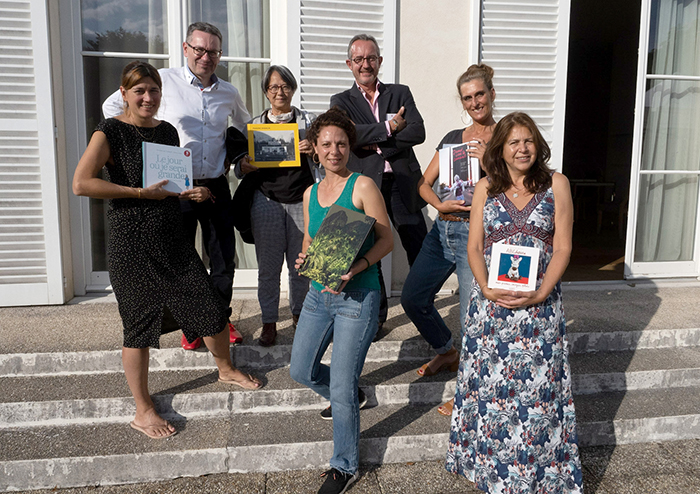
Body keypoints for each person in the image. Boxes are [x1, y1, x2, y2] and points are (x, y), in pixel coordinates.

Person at [73, 61, 261, 440]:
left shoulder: (167, 131)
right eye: (139, 90)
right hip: (131, 243)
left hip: (171, 237)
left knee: (207, 304)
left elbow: (171, 183)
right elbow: (81, 183)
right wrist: (139, 193)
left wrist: (194, 191)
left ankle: (224, 368)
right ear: (124, 94)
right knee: (140, 325)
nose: (147, 97)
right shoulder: (108, 131)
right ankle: (143, 410)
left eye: (154, 90)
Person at [446, 112, 582, 493]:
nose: (522, 148)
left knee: (538, 397)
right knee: (492, 398)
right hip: (491, 311)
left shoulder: (557, 184)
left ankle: (539, 480)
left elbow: (563, 246)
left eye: (528, 140)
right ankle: (494, 477)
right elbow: (473, 247)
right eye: (514, 142)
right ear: (500, 149)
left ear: (537, 145)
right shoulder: (485, 188)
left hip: (539, 309)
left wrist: (541, 292)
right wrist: (485, 289)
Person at [103, 22, 250, 351]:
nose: (205, 56)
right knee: (179, 258)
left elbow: (247, 126)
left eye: (213, 51)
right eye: (199, 49)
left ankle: (220, 318)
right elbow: (112, 107)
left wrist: (243, 153)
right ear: (186, 49)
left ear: (220, 55)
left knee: (223, 258)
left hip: (214, 185)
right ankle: (191, 324)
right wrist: (140, 151)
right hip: (172, 188)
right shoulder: (161, 82)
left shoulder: (228, 92)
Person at [289, 108, 393, 494]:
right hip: (319, 294)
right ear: (314, 149)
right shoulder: (310, 193)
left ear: (350, 148)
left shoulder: (363, 186)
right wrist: (304, 259)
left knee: (342, 384)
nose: (334, 150)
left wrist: (359, 265)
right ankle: (351, 395)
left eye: (342, 144)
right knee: (300, 370)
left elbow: (387, 240)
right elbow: (309, 243)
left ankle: (344, 465)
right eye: (326, 144)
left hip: (358, 296)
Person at [401, 65, 497, 418]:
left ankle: (469, 394)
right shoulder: (454, 138)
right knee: (413, 298)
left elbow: (519, 184)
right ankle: (445, 349)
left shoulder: (506, 137)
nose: (474, 102)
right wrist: (438, 203)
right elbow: (424, 184)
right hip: (442, 231)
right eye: (467, 97)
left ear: (491, 94)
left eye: (479, 94)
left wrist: (487, 160)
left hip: (478, 235)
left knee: (474, 318)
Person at [330, 34, 428, 333]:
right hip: (367, 187)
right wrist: (388, 127)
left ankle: (422, 309)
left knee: (419, 247)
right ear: (349, 64)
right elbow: (348, 135)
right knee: (370, 251)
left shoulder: (400, 93)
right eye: (358, 59)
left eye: (371, 58)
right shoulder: (340, 101)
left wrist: (376, 144)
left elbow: (418, 131)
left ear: (380, 61)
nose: (365, 64)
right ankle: (378, 317)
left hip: (402, 182)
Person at [235, 65, 318, 346]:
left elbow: (330, 155)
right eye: (273, 87)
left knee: (301, 266)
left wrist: (315, 150)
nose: (279, 92)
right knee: (268, 268)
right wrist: (244, 165)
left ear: (293, 89)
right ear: (266, 92)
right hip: (266, 201)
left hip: (302, 201)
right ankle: (269, 322)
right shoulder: (255, 126)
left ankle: (300, 318)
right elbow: (238, 166)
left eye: (285, 86)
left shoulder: (309, 123)